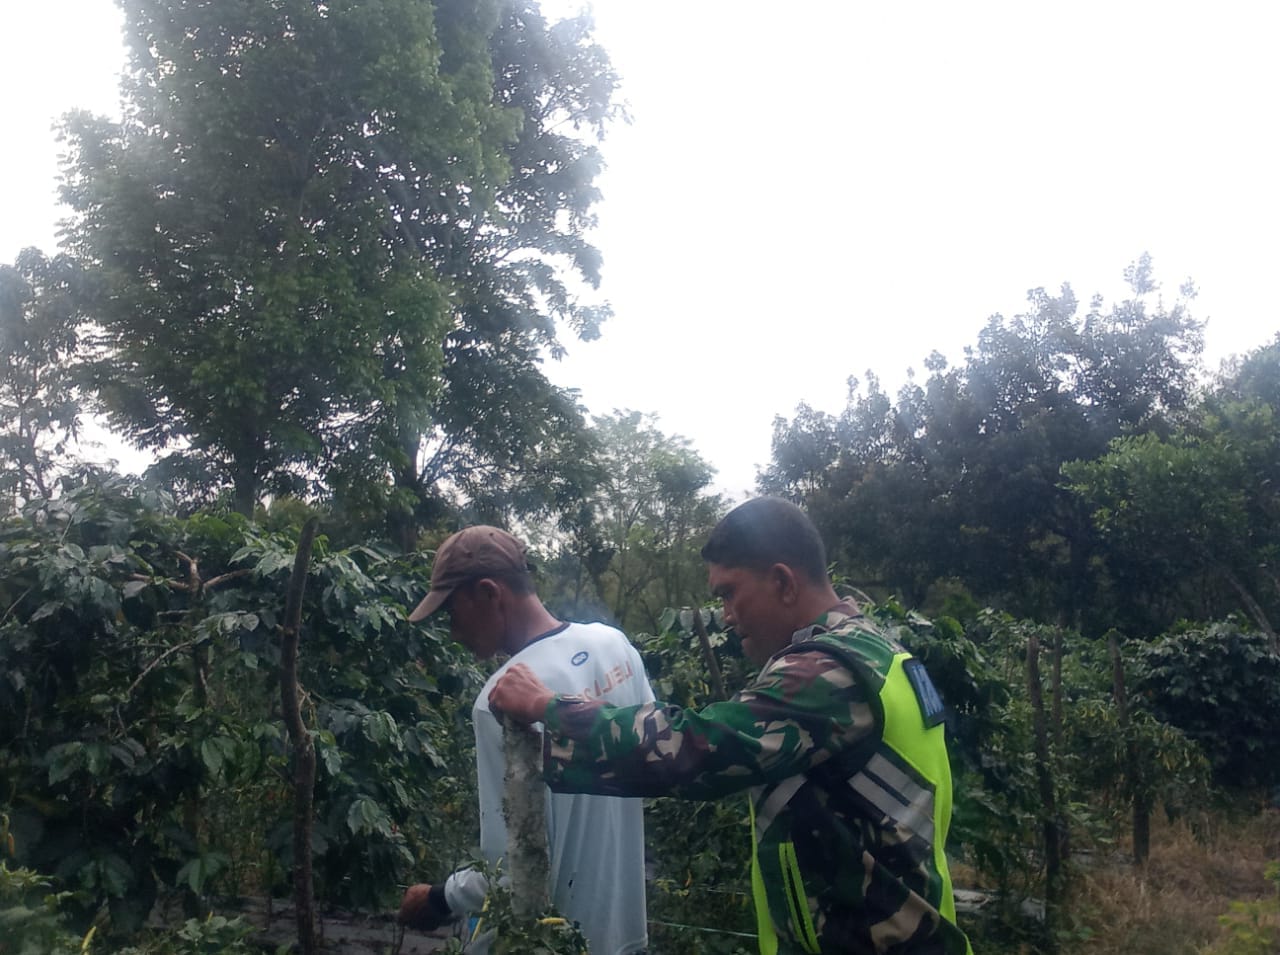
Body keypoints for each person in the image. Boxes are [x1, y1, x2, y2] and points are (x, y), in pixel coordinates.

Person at [490, 498, 972, 955]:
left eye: (729, 593)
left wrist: (548, 706)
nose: (724, 616)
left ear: (783, 582)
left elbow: (694, 748)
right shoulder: (875, 651)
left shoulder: (827, 675)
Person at [398, 525, 652, 955]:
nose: (454, 632)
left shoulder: (500, 700)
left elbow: (510, 869)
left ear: (488, 593)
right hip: (624, 935)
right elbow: (653, 761)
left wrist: (438, 898)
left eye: (452, 612)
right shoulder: (614, 645)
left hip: (550, 942)